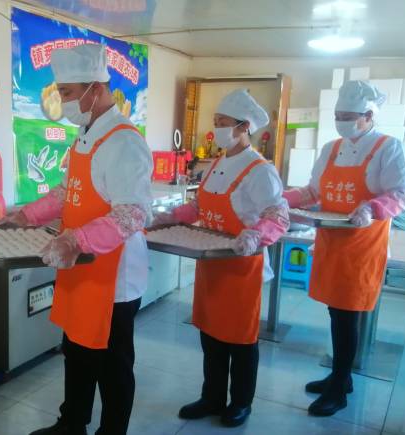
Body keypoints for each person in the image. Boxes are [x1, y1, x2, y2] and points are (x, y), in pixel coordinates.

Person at [4, 44, 152, 435]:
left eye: (67, 93)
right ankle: (71, 423)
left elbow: (132, 213)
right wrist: (27, 215)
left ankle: (112, 430)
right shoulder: (85, 136)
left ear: (95, 88)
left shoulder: (124, 142)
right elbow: (65, 191)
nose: (63, 102)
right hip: (81, 266)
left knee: (112, 364)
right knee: (77, 350)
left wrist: (76, 240)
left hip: (113, 276)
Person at [154, 89, 289, 427]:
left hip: (242, 265)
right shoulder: (216, 164)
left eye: (222, 122)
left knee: (240, 339)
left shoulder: (260, 170)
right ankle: (212, 397)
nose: (216, 129)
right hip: (211, 262)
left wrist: (256, 235)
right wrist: (169, 216)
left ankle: (241, 402)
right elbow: (199, 207)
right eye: (215, 122)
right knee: (211, 334)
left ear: (244, 126)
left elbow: (278, 216)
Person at [284, 80, 405, 417]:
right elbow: (313, 191)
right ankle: (341, 376)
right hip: (331, 239)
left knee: (348, 314)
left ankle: (339, 387)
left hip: (362, 244)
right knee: (335, 310)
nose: (341, 121)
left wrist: (372, 208)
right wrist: (283, 198)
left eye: (348, 116)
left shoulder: (388, 147)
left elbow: (402, 194)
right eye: (338, 115)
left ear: (368, 116)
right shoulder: (331, 148)